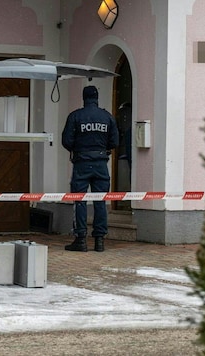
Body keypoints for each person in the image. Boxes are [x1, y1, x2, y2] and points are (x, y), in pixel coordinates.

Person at [61, 85, 119, 252]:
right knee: (100, 201)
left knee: (80, 201)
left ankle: (81, 239)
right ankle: (99, 240)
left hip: (82, 163)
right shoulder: (107, 116)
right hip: (101, 163)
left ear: (84, 98)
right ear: (97, 98)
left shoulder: (76, 116)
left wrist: (80, 148)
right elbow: (114, 141)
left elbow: (66, 141)